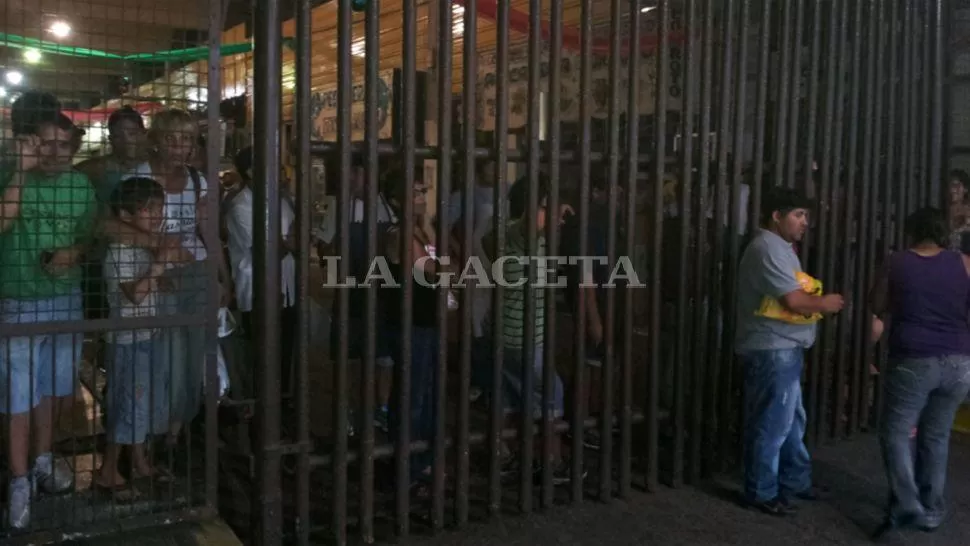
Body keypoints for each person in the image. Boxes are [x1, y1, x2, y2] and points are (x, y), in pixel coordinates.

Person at [0, 106, 97, 529]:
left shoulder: (81, 185)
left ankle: (42, 460)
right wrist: (20, 172)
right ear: (30, 144)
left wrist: (74, 253)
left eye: (63, 144)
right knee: (18, 395)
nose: (56, 153)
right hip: (18, 299)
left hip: (66, 298)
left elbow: (91, 235)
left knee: (56, 390)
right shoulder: (11, 178)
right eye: (45, 144)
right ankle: (18, 480)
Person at [122, 108, 230, 444]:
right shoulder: (138, 178)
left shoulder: (198, 181)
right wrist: (155, 268)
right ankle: (156, 426)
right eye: (171, 139)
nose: (178, 147)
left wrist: (221, 275)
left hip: (194, 271)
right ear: (157, 142)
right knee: (168, 356)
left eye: (186, 140)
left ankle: (179, 426)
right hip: (157, 276)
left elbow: (206, 230)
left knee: (197, 353)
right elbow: (124, 229)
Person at [734, 186, 844, 516]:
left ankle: (794, 480)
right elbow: (793, 300)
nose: (804, 222)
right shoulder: (768, 248)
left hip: (782, 347)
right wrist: (826, 303)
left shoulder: (779, 247)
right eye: (798, 215)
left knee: (791, 422)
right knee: (773, 424)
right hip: (772, 348)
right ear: (776, 216)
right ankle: (761, 490)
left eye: (806, 216)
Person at [869, 207, 970, 537]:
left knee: (896, 432)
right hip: (958, 360)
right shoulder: (965, 264)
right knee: (936, 435)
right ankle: (932, 508)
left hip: (913, 357)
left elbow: (878, 303)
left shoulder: (897, 261)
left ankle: (907, 503)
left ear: (912, 231)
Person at [478, 175, 576, 484]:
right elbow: (529, 227)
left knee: (507, 396)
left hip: (502, 334)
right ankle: (551, 462)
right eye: (547, 207)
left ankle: (503, 455)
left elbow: (487, 240)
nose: (555, 215)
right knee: (551, 396)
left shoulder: (504, 235)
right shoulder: (525, 235)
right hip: (525, 338)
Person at [98, 177, 180, 498]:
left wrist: (162, 277)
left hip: (147, 334)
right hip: (128, 341)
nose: (157, 216)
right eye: (149, 209)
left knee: (139, 404)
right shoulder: (118, 254)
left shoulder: (141, 247)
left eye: (159, 208)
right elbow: (133, 295)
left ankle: (140, 462)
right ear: (125, 215)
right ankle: (107, 470)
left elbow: (151, 286)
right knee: (126, 405)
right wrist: (159, 267)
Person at [380, 168, 441, 494]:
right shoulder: (398, 233)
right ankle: (408, 470)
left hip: (426, 321)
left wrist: (429, 227)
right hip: (409, 324)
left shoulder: (417, 231)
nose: (422, 196)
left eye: (422, 190)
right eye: (415, 191)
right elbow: (430, 270)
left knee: (427, 395)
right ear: (396, 200)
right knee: (412, 398)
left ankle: (422, 462)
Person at [224, 146, 297, 398]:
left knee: (284, 354)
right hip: (258, 290)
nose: (280, 171)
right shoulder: (242, 206)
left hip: (287, 288)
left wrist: (287, 243)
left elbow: (294, 237)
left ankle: (281, 408)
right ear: (251, 171)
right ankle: (259, 413)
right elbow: (266, 252)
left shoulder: (281, 199)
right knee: (261, 357)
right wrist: (288, 243)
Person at [945, 169, 970, 253]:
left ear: (965, 189)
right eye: (950, 186)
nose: (952, 190)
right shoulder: (944, 211)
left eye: (956, 186)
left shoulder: (968, 211)